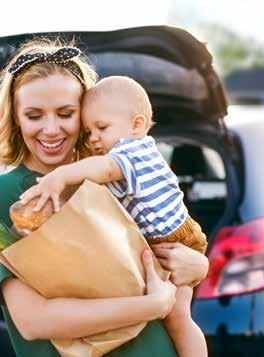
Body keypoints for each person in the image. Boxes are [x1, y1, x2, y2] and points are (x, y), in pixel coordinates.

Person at [0, 38, 209, 357]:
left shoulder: (108, 178)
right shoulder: (7, 196)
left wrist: (199, 266)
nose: (52, 129)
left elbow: (164, 243)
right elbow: (32, 321)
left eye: (66, 113)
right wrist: (151, 305)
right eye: (34, 115)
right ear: (15, 118)